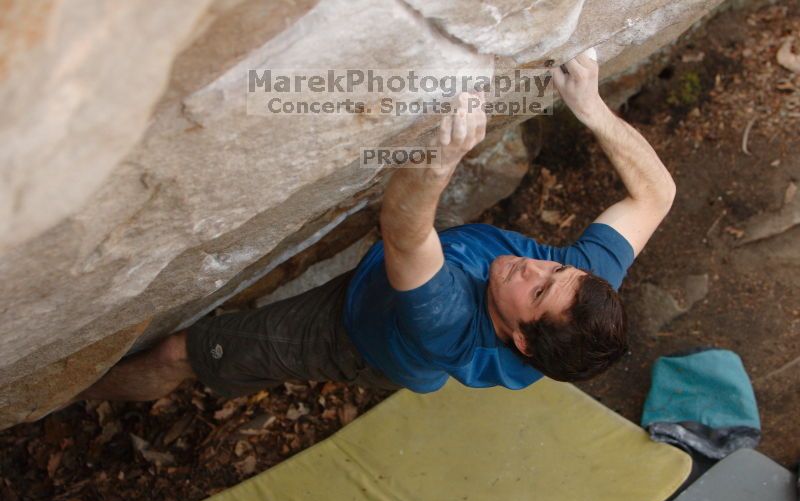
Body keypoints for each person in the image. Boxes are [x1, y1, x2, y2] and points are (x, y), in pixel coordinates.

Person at [79, 49, 675, 402]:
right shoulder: (583, 294)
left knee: (181, 352)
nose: (537, 264)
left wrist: (440, 160)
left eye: (538, 288)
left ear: (520, 338)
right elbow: (657, 193)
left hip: (351, 335)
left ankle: (73, 399)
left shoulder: (445, 322)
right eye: (557, 266)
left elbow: (406, 233)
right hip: (405, 301)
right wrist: (592, 107)